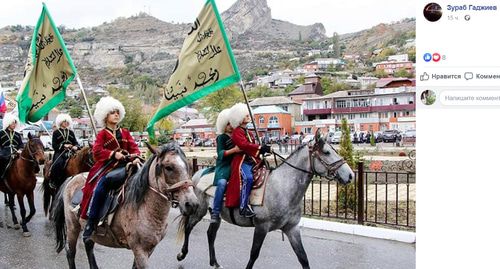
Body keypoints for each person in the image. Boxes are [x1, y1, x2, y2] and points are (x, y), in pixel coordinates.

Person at [80, 96, 141, 243]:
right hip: (107, 166)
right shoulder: (102, 134)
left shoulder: (125, 132)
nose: (116, 114)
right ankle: (91, 221)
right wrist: (113, 154)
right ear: (105, 116)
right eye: (112, 112)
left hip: (127, 165)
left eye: (117, 112)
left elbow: (134, 147)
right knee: (100, 187)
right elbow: (97, 151)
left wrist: (137, 156)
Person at [226, 103, 271, 218]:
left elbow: (252, 146)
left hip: (252, 160)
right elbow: (244, 145)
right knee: (248, 178)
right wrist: (260, 148)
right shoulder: (237, 132)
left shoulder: (249, 132)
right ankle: (243, 206)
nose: (248, 116)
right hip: (242, 161)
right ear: (239, 118)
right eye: (245, 115)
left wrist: (262, 149)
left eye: (248, 114)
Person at [210, 109, 241, 223]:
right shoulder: (221, 137)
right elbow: (221, 154)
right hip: (224, 166)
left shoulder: (237, 135)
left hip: (236, 164)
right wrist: (234, 150)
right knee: (222, 183)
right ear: (223, 124)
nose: (230, 126)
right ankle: (215, 211)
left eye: (231, 123)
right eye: (227, 123)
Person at [49, 113, 79, 188]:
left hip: (71, 152)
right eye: (64, 122)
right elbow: (54, 145)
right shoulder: (56, 132)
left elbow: (75, 142)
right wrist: (63, 146)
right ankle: (54, 181)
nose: (66, 123)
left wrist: (76, 146)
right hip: (60, 152)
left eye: (67, 122)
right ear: (60, 122)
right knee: (57, 164)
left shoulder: (71, 132)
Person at [0, 113, 23, 181]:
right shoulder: (1, 133)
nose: (14, 124)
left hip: (16, 153)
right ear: (8, 123)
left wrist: (20, 150)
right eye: (13, 123)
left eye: (15, 123)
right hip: (4, 154)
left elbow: (21, 145)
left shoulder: (17, 134)